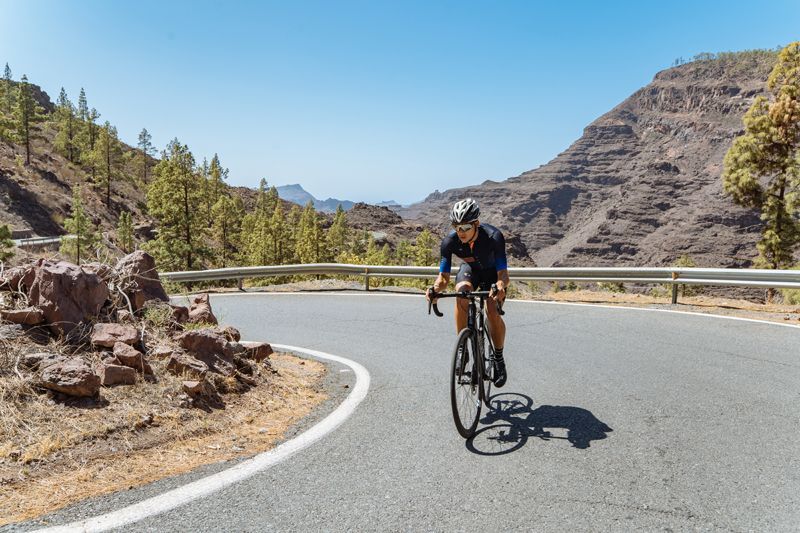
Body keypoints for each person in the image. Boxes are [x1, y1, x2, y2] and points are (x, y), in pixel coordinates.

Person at [426, 198, 509, 387]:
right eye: (457, 227)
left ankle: (498, 358)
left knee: (492, 311)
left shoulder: (493, 236)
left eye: (465, 227)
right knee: (461, 294)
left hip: (492, 275)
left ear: (476, 224)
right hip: (470, 271)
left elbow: (503, 273)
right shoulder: (449, 242)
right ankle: (463, 348)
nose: (460, 232)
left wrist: (500, 285)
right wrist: (434, 289)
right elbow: (443, 278)